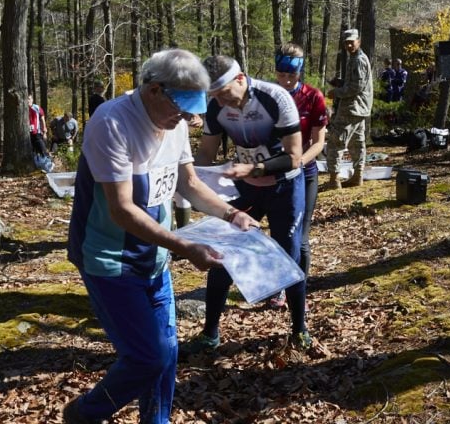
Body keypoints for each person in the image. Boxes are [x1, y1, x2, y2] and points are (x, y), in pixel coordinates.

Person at [63, 48, 258, 424]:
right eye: (181, 109)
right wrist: (184, 246)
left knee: (167, 354)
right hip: (109, 259)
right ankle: (84, 414)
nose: (186, 118)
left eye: (192, 111)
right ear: (154, 90)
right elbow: (121, 209)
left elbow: (189, 183)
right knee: (145, 357)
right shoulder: (111, 122)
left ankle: (157, 420)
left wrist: (231, 214)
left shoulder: (177, 124)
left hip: (154, 259)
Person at [184, 54, 312, 352]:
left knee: (288, 257)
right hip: (244, 187)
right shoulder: (216, 105)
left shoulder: (275, 98)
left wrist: (255, 169)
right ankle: (210, 332)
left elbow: (294, 156)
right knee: (223, 254)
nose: (220, 101)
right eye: (213, 95)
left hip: (284, 187)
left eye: (224, 92)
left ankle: (299, 328)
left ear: (240, 79)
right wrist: (189, 178)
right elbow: (205, 152)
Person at [266, 42, 328, 309]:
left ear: (300, 72)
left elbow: (318, 142)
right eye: (281, 75)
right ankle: (278, 286)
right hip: (272, 173)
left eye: (291, 75)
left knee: (299, 237)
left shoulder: (313, 97)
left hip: (305, 172)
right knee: (277, 233)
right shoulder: (267, 95)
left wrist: (298, 162)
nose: (286, 80)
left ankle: (298, 288)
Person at [325, 28, 373, 189]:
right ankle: (358, 176)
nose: (349, 45)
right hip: (359, 108)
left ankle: (334, 179)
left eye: (351, 42)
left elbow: (356, 87)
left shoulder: (358, 59)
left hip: (352, 107)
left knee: (334, 141)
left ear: (358, 41)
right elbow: (355, 83)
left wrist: (336, 92)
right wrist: (340, 82)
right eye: (346, 43)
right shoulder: (355, 58)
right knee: (357, 142)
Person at [27, 94, 49, 158]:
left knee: (42, 148)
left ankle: (48, 161)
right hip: (27, 134)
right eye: (27, 99)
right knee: (33, 151)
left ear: (32, 100)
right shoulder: (23, 109)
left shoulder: (36, 107)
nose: (28, 100)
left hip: (36, 132)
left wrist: (44, 129)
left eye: (29, 99)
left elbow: (42, 118)